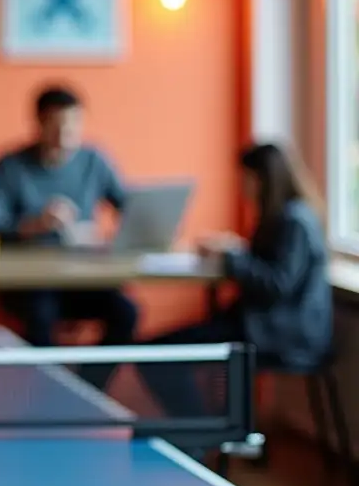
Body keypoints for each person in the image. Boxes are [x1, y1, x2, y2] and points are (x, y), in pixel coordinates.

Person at [140, 142, 333, 417]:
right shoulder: (284, 216)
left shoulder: (294, 222)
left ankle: (204, 431)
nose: (242, 187)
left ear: (263, 179)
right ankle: (208, 429)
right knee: (164, 350)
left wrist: (234, 256)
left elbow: (277, 285)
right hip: (262, 325)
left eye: (246, 179)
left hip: (282, 335)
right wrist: (238, 251)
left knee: (158, 356)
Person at [0, 85, 139, 353]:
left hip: (83, 279)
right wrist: (34, 225)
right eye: (57, 125)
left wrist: (116, 235)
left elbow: (131, 209)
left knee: (127, 313)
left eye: (73, 124)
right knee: (41, 316)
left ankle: (88, 388)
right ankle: (51, 389)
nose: (65, 135)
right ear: (39, 123)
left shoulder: (94, 160)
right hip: (29, 284)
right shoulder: (10, 165)